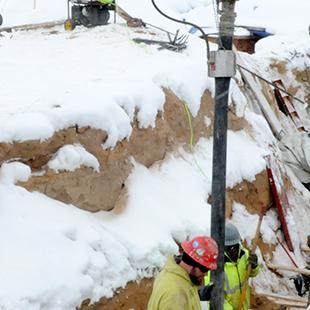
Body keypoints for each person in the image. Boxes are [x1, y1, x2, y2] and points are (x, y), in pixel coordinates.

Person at [147, 235, 219, 310]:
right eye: (205, 269)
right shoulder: (175, 293)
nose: (206, 274)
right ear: (193, 264)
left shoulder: (180, 277)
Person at [204, 223, 260, 310]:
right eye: (229, 247)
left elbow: (252, 274)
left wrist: (254, 266)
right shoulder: (215, 266)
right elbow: (216, 299)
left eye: (235, 246)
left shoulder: (244, 255)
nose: (233, 250)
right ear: (223, 246)